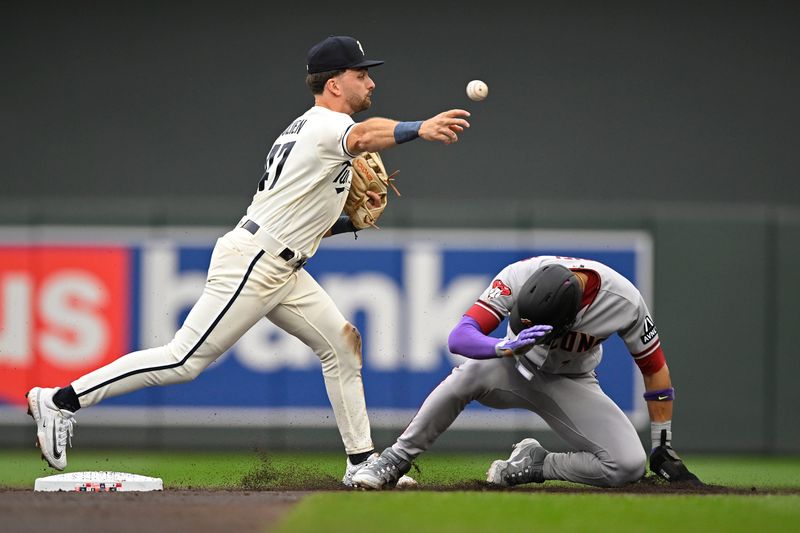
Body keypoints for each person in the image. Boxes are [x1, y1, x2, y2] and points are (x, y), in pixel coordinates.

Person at [25, 35, 470, 487]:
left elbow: (300, 213)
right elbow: (364, 134)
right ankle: (61, 400)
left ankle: (360, 463)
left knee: (341, 345)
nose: (370, 82)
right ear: (334, 84)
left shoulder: (310, 130)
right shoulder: (325, 126)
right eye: (361, 74)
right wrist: (420, 127)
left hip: (282, 262)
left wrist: (345, 223)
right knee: (183, 360)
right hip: (255, 262)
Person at [352, 256, 700, 489]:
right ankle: (395, 460)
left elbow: (654, 369)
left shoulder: (623, 300)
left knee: (628, 466)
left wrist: (662, 444)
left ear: (572, 317)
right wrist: (502, 347)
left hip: (571, 382)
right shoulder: (518, 275)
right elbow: (460, 336)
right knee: (468, 374)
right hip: (511, 368)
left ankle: (536, 464)